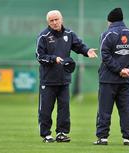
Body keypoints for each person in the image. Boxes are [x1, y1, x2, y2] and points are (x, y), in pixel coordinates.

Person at [35, 10, 97, 143]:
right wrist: (53, 59)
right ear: (48, 22)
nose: (54, 22)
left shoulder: (69, 34)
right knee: (45, 109)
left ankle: (61, 133)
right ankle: (46, 135)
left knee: (64, 109)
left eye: (56, 19)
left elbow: (79, 46)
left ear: (61, 19)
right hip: (48, 80)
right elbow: (40, 57)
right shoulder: (43, 36)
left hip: (64, 79)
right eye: (51, 20)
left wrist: (87, 51)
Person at [94, 8, 129, 146]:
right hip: (126, 80)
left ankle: (102, 138)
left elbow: (105, 56)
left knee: (104, 109)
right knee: (126, 109)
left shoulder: (107, 34)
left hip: (108, 79)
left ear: (109, 21)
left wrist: (119, 70)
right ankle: (128, 138)